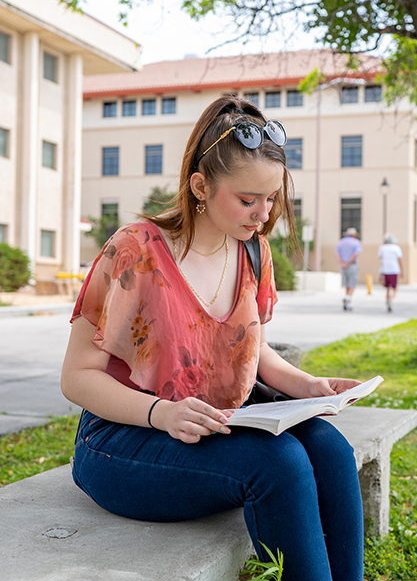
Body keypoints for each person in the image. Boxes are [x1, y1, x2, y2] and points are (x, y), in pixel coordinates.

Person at [60, 96, 364, 581]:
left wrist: (308, 385)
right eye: (248, 200)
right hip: (123, 439)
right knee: (279, 465)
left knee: (329, 449)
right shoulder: (135, 251)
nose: (263, 214)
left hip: (215, 425)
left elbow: (253, 346)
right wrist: (163, 413)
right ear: (201, 186)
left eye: (271, 199)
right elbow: (76, 378)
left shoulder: (252, 252)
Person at [335, 227, 362, 311]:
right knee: (352, 283)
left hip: (343, 266)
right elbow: (355, 254)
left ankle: (348, 302)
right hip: (351, 265)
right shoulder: (356, 242)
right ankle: (348, 297)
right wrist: (348, 263)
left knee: (347, 284)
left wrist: (342, 263)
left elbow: (337, 254)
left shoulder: (341, 242)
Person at [378, 233, 403, 312]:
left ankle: (387, 299)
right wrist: (402, 270)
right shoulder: (396, 248)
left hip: (385, 270)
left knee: (388, 287)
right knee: (395, 288)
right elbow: (399, 260)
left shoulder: (382, 248)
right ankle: (390, 299)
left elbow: (380, 259)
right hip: (394, 270)